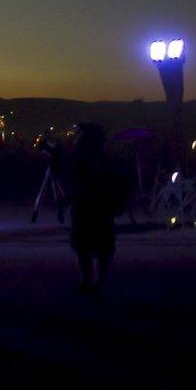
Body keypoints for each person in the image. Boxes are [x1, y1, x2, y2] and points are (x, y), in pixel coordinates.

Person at [66, 123, 123, 295]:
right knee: (99, 248)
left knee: (87, 247)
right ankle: (97, 283)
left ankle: (91, 283)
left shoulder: (84, 158)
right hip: (98, 209)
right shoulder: (103, 158)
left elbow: (75, 182)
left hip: (88, 208)